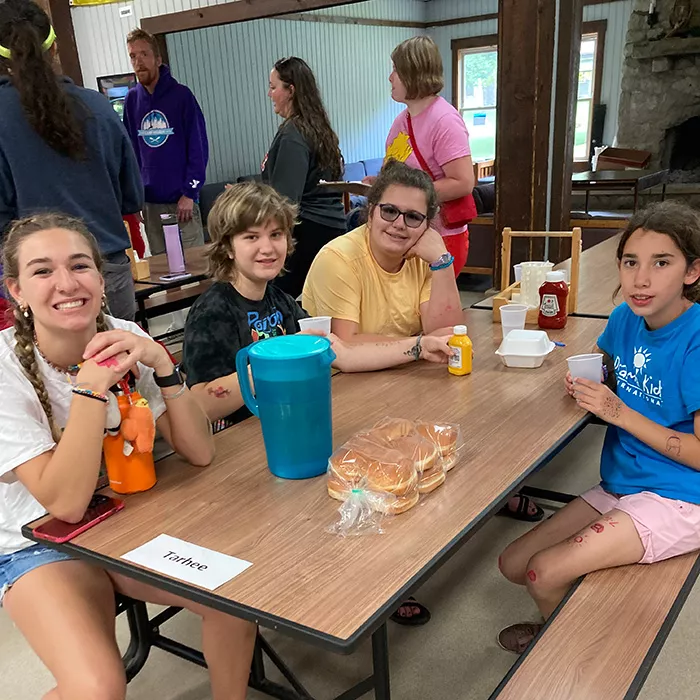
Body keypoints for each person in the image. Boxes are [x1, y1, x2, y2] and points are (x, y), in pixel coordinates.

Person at [0, 212, 256, 700]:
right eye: (41, 271)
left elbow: (200, 453)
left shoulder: (120, 332)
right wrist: (89, 392)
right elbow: (65, 506)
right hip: (36, 543)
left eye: (79, 266)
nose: (65, 283)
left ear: (101, 276)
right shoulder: (5, 369)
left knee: (234, 600)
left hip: (126, 517)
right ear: (16, 290)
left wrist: (162, 364)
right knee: (97, 687)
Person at [497, 201, 700, 654]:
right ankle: (567, 615)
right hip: (624, 480)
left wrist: (617, 411)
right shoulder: (627, 317)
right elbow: (614, 370)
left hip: (683, 496)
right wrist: (591, 384)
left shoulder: (696, 340)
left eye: (661, 263)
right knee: (512, 563)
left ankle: (566, 651)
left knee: (541, 572)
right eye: (631, 262)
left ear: (692, 272)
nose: (640, 279)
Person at [181, 181, 453, 427]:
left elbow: (343, 354)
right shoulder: (212, 310)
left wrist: (419, 346)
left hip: (285, 424)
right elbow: (201, 407)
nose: (267, 247)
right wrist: (275, 360)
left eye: (276, 235)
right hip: (236, 445)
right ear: (227, 247)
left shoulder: (281, 302)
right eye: (251, 237)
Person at [0, 0, 143, 321]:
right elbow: (132, 196)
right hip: (105, 269)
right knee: (118, 366)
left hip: (37, 282)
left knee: (41, 371)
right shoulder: (99, 107)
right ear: (53, 49)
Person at [303, 159, 464, 342]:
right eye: (389, 211)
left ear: (426, 227)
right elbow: (345, 345)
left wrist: (442, 262)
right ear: (371, 214)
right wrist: (420, 345)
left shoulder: (425, 258)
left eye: (413, 217)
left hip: (404, 368)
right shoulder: (337, 258)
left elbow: (448, 335)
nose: (399, 224)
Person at [377, 36, 475, 276]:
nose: (391, 78)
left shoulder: (444, 120)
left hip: (440, 238)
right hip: (405, 233)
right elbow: (394, 171)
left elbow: (463, 182)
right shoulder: (402, 120)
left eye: (396, 70)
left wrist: (412, 196)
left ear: (413, 73)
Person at [263, 56, 347, 299]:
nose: (270, 94)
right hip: (329, 230)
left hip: (307, 233)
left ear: (291, 90)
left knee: (275, 298)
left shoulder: (293, 134)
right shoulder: (318, 127)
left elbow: (286, 200)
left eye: (273, 87)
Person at [124, 28, 208, 256]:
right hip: (150, 205)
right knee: (163, 271)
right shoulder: (132, 101)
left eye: (144, 54)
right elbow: (130, 152)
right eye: (133, 56)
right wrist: (135, 197)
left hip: (183, 203)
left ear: (158, 59)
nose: (138, 62)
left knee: (196, 268)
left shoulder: (181, 96)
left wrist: (190, 193)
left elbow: (198, 148)